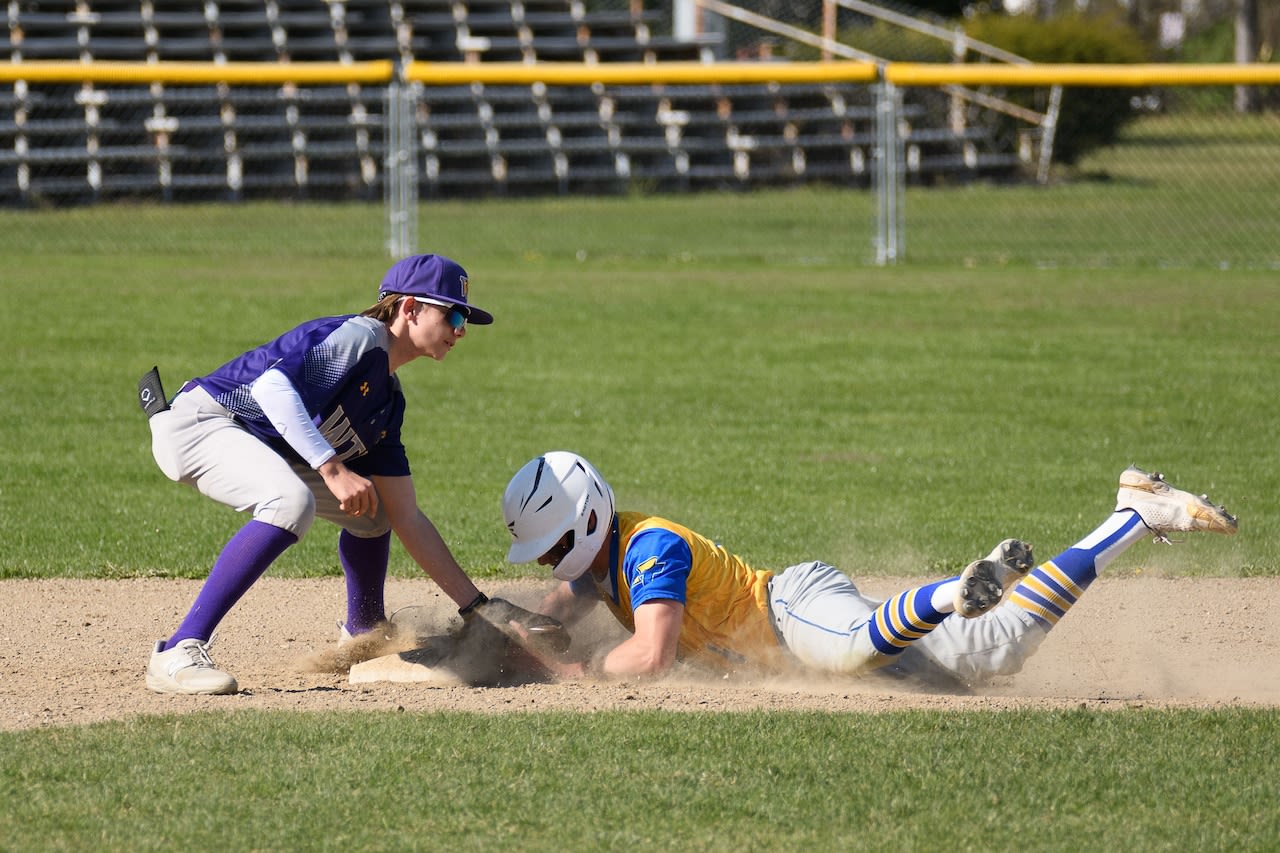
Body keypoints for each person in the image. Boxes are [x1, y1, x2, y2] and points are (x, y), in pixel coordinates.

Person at [138, 253, 554, 695]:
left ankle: (363, 635)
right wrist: (332, 468)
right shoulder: (359, 339)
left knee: (374, 516)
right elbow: (271, 389)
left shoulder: (387, 403)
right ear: (410, 308)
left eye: (464, 318)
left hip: (255, 440)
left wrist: (476, 607)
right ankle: (179, 649)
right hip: (201, 422)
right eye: (452, 313)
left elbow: (407, 517)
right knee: (289, 502)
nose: (461, 329)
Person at [498, 451, 1237, 685]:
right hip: (802, 642)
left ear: (589, 520)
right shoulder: (594, 568)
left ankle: (955, 587)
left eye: (557, 545)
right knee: (995, 652)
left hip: (793, 609)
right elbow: (551, 611)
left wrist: (575, 677)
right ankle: (1134, 513)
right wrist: (506, 629)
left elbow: (651, 652)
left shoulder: (646, 548)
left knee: (852, 647)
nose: (556, 563)